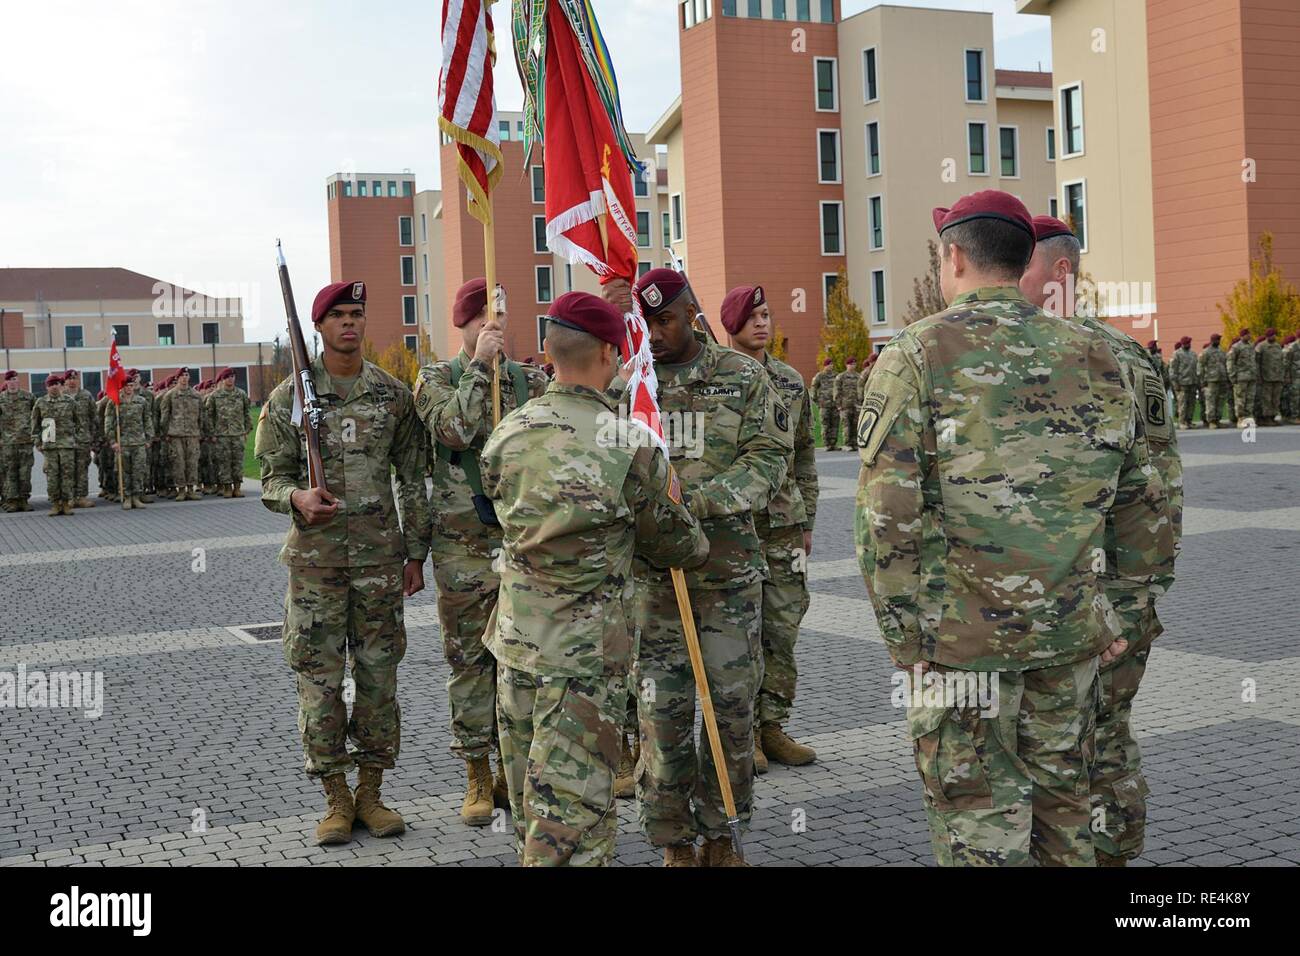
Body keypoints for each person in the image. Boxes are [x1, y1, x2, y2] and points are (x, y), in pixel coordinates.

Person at [856, 191, 1173, 867]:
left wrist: (903, 636)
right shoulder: (1099, 356)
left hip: (960, 647)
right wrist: (1121, 606)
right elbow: (1146, 500)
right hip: (1068, 640)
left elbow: (888, 516)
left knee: (980, 822)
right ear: (1027, 259)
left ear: (955, 257)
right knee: (1066, 817)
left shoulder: (916, 355)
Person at [480, 291, 708, 866]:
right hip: (583, 665)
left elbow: (496, 511)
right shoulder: (626, 442)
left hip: (515, 650)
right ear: (609, 354)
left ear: (551, 354)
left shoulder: (507, 433)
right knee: (574, 828)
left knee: (534, 814)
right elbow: (679, 542)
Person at [1021, 214, 1182, 866]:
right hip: (1130, 583)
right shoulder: (1128, 352)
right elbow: (1165, 482)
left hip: (1083, 593)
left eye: (1019, 263)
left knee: (1066, 742)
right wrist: (1146, 587)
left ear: (1060, 272)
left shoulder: (1062, 355)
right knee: (1108, 738)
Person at [255, 279, 431, 846]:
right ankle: (335, 798)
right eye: (339, 317)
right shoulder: (288, 399)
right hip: (316, 567)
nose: (350, 324)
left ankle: (372, 794)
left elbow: (413, 476)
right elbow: (271, 478)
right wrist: (296, 499)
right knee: (320, 683)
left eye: (357, 313)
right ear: (319, 328)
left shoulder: (392, 395)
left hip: (381, 561)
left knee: (379, 680)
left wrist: (416, 551)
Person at [630, 267, 791, 867]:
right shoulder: (630, 386)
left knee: (730, 712)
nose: (655, 333)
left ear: (691, 312)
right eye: (645, 322)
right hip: (654, 587)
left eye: (665, 319)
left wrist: (693, 505)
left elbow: (768, 460)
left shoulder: (742, 378)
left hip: (726, 580)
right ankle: (673, 842)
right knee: (662, 720)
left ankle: (722, 833)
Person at [412, 277, 549, 826]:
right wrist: (477, 369)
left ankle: (521, 768)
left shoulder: (528, 381)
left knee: (524, 659)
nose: (495, 325)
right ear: (463, 323)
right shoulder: (434, 379)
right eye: (485, 317)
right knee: (469, 660)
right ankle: (477, 771)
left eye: (502, 314)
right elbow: (452, 430)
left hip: (520, 543)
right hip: (463, 549)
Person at [720, 284, 820, 771]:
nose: (762, 323)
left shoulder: (791, 381)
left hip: (783, 526)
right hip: (737, 527)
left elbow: (804, 455)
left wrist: (807, 520)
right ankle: (742, 736)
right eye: (752, 315)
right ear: (730, 325)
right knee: (740, 636)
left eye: (766, 314)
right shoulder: (716, 381)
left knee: (781, 630)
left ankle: (772, 726)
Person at [31, 374, 79, 517]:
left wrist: (75, 439)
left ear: (61, 385)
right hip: (50, 445)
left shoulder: (70, 402)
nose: (54, 386)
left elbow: (79, 422)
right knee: (52, 476)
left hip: (66, 445)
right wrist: (37, 442)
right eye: (51, 384)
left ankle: (66, 504)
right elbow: (35, 424)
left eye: (57, 383)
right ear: (47, 387)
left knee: (67, 476)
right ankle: (55, 504)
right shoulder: (41, 403)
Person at [104, 378, 153, 510]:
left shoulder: (141, 401)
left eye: (131, 385)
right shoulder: (114, 402)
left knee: (138, 470)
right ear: (122, 387)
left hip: (138, 442)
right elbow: (109, 423)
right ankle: (127, 497)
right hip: (123, 442)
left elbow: (147, 420)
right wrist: (113, 441)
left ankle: (136, 497)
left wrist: (149, 439)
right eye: (126, 386)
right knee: (124, 472)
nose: (129, 388)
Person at [206, 368, 252, 497]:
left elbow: (247, 413)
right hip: (222, 435)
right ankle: (227, 488)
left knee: (237, 462)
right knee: (224, 462)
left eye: (232, 376)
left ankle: (237, 488)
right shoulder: (215, 396)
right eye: (227, 377)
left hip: (238, 434)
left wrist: (246, 431)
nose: (230, 379)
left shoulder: (241, 394)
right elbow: (209, 415)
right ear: (223, 379)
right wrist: (212, 433)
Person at [159, 370, 203, 499]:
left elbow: (202, 415)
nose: (184, 378)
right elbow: (165, 416)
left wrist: (201, 431)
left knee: (192, 462)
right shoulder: (170, 395)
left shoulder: (196, 395)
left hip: (193, 434)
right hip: (176, 434)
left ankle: (191, 489)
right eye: (182, 376)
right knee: (178, 462)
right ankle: (181, 490)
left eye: (186, 375)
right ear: (177, 378)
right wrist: (165, 432)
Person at [62, 369, 98, 508]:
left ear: (78, 380)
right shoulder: (61, 396)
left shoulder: (86, 395)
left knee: (82, 469)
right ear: (64, 381)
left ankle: (81, 497)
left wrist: (94, 437)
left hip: (83, 439)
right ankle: (69, 497)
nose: (72, 381)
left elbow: (93, 417)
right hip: (65, 441)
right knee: (67, 470)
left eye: (74, 378)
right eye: (69, 379)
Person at [0, 370, 35, 512]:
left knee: (25, 472)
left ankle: (23, 499)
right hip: (7, 443)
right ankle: (12, 500)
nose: (13, 383)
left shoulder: (29, 397)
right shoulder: (1, 399)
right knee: (10, 472)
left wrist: (44, 439)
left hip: (25, 441)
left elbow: (40, 416)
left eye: (15, 379)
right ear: (6, 382)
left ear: (18, 381)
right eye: (10, 380)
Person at [1227, 328, 1257, 427]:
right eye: (1247, 334)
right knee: (1240, 399)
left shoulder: (1251, 346)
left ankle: (1249, 418)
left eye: (1249, 334)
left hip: (1251, 377)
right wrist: (1232, 376)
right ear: (1242, 336)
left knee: (1250, 399)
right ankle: (1240, 419)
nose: (1249, 336)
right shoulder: (1236, 347)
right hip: (1241, 377)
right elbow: (1230, 362)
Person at [1198, 334, 1229, 428]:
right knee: (1211, 401)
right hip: (1211, 380)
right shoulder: (1206, 352)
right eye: (1217, 340)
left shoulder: (1221, 351)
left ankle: (1218, 419)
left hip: (1221, 379)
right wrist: (1202, 381)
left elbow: (1225, 364)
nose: (1219, 341)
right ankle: (1211, 421)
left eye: (1219, 340)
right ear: (1212, 340)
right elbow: (1201, 367)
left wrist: (1227, 378)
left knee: (1220, 401)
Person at [1255, 328, 1285, 425]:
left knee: (1275, 398)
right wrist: (1259, 376)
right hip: (1266, 376)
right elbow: (1257, 362)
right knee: (1266, 399)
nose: (1274, 337)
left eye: (1275, 335)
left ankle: (1273, 416)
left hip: (1277, 376)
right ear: (1268, 336)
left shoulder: (1277, 346)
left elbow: (1281, 361)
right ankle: (1266, 418)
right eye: (1273, 335)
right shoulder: (1261, 346)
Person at [810, 359, 839, 451]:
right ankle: (827, 444)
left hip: (834, 404)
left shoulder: (836, 375)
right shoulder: (820, 376)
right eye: (829, 364)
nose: (831, 366)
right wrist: (817, 401)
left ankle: (833, 444)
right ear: (825, 366)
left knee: (835, 424)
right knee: (825, 424)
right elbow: (814, 388)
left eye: (832, 364)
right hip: (824, 404)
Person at [1170, 337, 1198, 428]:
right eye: (1186, 343)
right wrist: (1175, 384)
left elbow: (1196, 368)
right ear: (1183, 344)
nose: (1188, 345)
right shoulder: (1177, 354)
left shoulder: (1193, 354)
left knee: (1191, 403)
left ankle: (1189, 421)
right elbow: (1173, 370)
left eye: (1189, 343)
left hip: (1192, 382)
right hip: (1182, 383)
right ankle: (1182, 422)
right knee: (1182, 403)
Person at [835, 356, 861, 451]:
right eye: (851, 364)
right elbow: (837, 391)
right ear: (847, 365)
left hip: (856, 405)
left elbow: (861, 390)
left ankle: (854, 443)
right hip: (845, 405)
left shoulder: (858, 376)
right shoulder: (841, 376)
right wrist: (838, 405)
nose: (853, 366)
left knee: (855, 425)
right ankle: (847, 444)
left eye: (854, 364)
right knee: (846, 425)